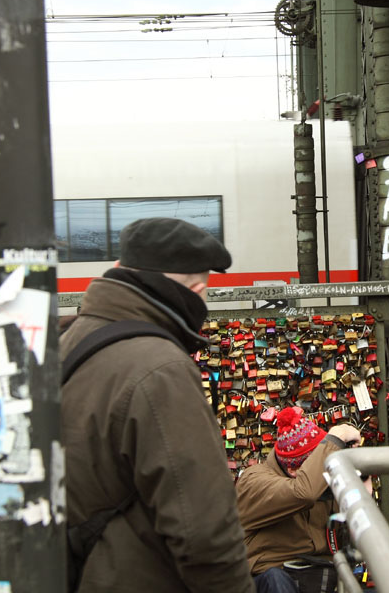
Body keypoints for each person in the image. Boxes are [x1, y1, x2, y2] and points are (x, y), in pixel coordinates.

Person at [60, 217, 255, 592]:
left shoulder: (70, 339)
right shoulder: (162, 369)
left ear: (118, 268)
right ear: (198, 292)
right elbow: (205, 532)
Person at [236, 406, 364, 593]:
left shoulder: (321, 482)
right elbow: (303, 493)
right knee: (275, 579)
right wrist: (337, 436)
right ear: (293, 470)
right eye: (322, 461)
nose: (326, 468)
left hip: (319, 576)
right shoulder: (254, 481)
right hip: (270, 579)